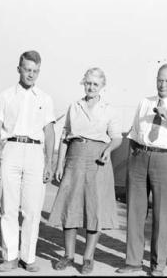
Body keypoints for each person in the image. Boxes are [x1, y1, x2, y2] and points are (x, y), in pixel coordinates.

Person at [116, 64, 167, 276]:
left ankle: (158, 265)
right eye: (160, 80)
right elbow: (133, 135)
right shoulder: (144, 102)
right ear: (155, 80)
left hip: (166, 160)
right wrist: (133, 161)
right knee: (135, 212)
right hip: (139, 157)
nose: (163, 84)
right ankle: (132, 262)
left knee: (162, 215)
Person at [48, 67, 122, 275]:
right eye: (88, 83)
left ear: (102, 87)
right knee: (70, 207)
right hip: (74, 157)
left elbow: (117, 137)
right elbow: (64, 136)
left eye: (95, 84)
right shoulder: (74, 106)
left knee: (94, 209)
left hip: (98, 160)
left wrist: (108, 149)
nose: (91, 87)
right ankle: (68, 255)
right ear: (84, 83)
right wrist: (59, 164)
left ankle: (88, 258)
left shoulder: (109, 109)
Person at [0, 50, 56, 272]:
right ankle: (10, 256)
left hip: (36, 154)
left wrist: (49, 163)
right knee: (8, 207)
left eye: (35, 71)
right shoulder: (5, 96)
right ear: (19, 69)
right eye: (27, 70)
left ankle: (28, 257)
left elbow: (49, 132)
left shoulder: (45, 99)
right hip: (11, 150)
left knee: (32, 210)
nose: (31, 74)